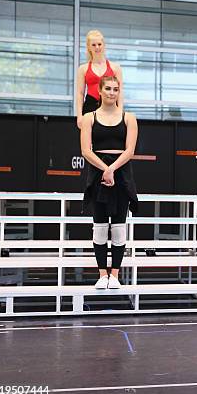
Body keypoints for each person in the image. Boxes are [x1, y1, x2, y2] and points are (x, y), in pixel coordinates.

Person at [80, 76, 138, 289]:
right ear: (100, 91)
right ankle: (102, 274)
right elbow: (86, 150)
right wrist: (105, 170)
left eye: (115, 89)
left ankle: (115, 275)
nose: (112, 92)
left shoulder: (129, 117)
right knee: (100, 226)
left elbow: (130, 150)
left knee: (119, 226)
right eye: (108, 89)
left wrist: (113, 169)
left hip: (121, 172)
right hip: (97, 172)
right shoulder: (89, 117)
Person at [76, 30, 123, 129]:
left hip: (110, 106)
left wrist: (120, 111)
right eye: (93, 45)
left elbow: (120, 91)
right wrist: (79, 116)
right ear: (89, 47)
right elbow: (80, 93)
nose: (97, 47)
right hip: (90, 105)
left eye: (99, 44)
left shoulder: (115, 68)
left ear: (104, 45)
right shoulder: (83, 68)